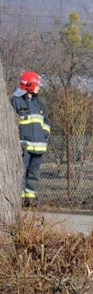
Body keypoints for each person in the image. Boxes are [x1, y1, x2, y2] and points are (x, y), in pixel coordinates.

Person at [10, 71, 50, 206]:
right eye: (37, 84)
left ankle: (29, 199)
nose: (39, 87)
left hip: (39, 146)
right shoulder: (15, 102)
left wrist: (45, 135)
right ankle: (19, 198)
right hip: (23, 146)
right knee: (21, 172)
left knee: (34, 173)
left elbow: (46, 122)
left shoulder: (39, 103)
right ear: (30, 85)